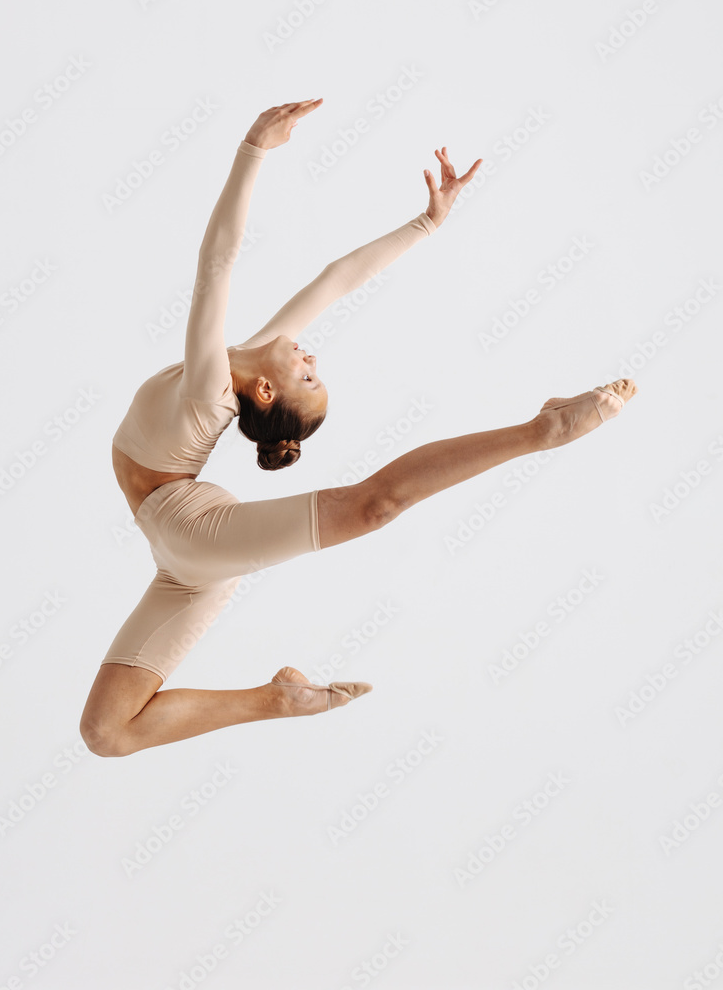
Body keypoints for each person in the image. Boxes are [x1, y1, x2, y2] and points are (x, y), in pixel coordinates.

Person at [79, 99, 637, 758]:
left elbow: (218, 262)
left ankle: (541, 432)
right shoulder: (250, 357)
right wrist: (427, 223)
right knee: (107, 732)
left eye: (309, 377)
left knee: (374, 506)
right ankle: (277, 701)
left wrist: (253, 149)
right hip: (180, 552)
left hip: (189, 532)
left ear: (265, 392)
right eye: (313, 370)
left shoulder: (210, 387)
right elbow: (337, 279)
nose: (312, 358)